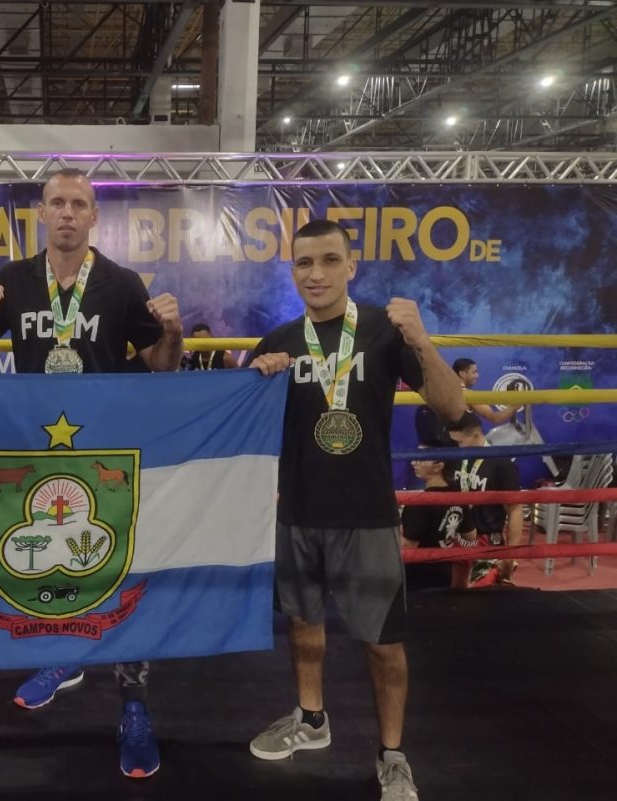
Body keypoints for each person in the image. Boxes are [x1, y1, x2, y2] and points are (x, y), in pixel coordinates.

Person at [0, 168, 183, 779]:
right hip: (39, 452)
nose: (67, 213)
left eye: (79, 204)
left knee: (121, 567)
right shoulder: (13, 279)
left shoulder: (121, 283)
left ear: (94, 216)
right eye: (57, 202)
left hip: (108, 453)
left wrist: (174, 333)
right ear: (40, 212)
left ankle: (134, 703)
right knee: (54, 562)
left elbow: (162, 366)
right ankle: (64, 657)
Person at [247, 219, 463, 801]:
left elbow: (453, 408)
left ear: (351, 266)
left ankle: (392, 754)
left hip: (366, 514)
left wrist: (423, 341)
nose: (316, 273)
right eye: (304, 263)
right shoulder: (277, 342)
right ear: (292, 271)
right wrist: (256, 378)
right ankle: (311, 718)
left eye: (328, 260)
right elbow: (245, 425)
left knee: (383, 643)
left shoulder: (384, 332)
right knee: (303, 624)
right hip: (297, 511)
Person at [446, 412, 523, 585]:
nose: (458, 447)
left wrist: (511, 554)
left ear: (476, 435)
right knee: (455, 594)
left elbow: (515, 509)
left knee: (486, 595)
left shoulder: (501, 463)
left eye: (460, 442)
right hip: (457, 536)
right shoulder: (455, 459)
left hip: (487, 538)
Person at [400, 448, 478, 590]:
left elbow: (407, 547)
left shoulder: (418, 503)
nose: (414, 463)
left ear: (439, 465)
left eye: (422, 459)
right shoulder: (458, 496)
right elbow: (470, 536)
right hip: (445, 573)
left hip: (417, 578)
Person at [453, 358, 521, 427]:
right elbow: (496, 418)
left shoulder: (449, 393)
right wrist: (515, 406)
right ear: (462, 374)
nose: (477, 376)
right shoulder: (469, 395)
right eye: (474, 372)